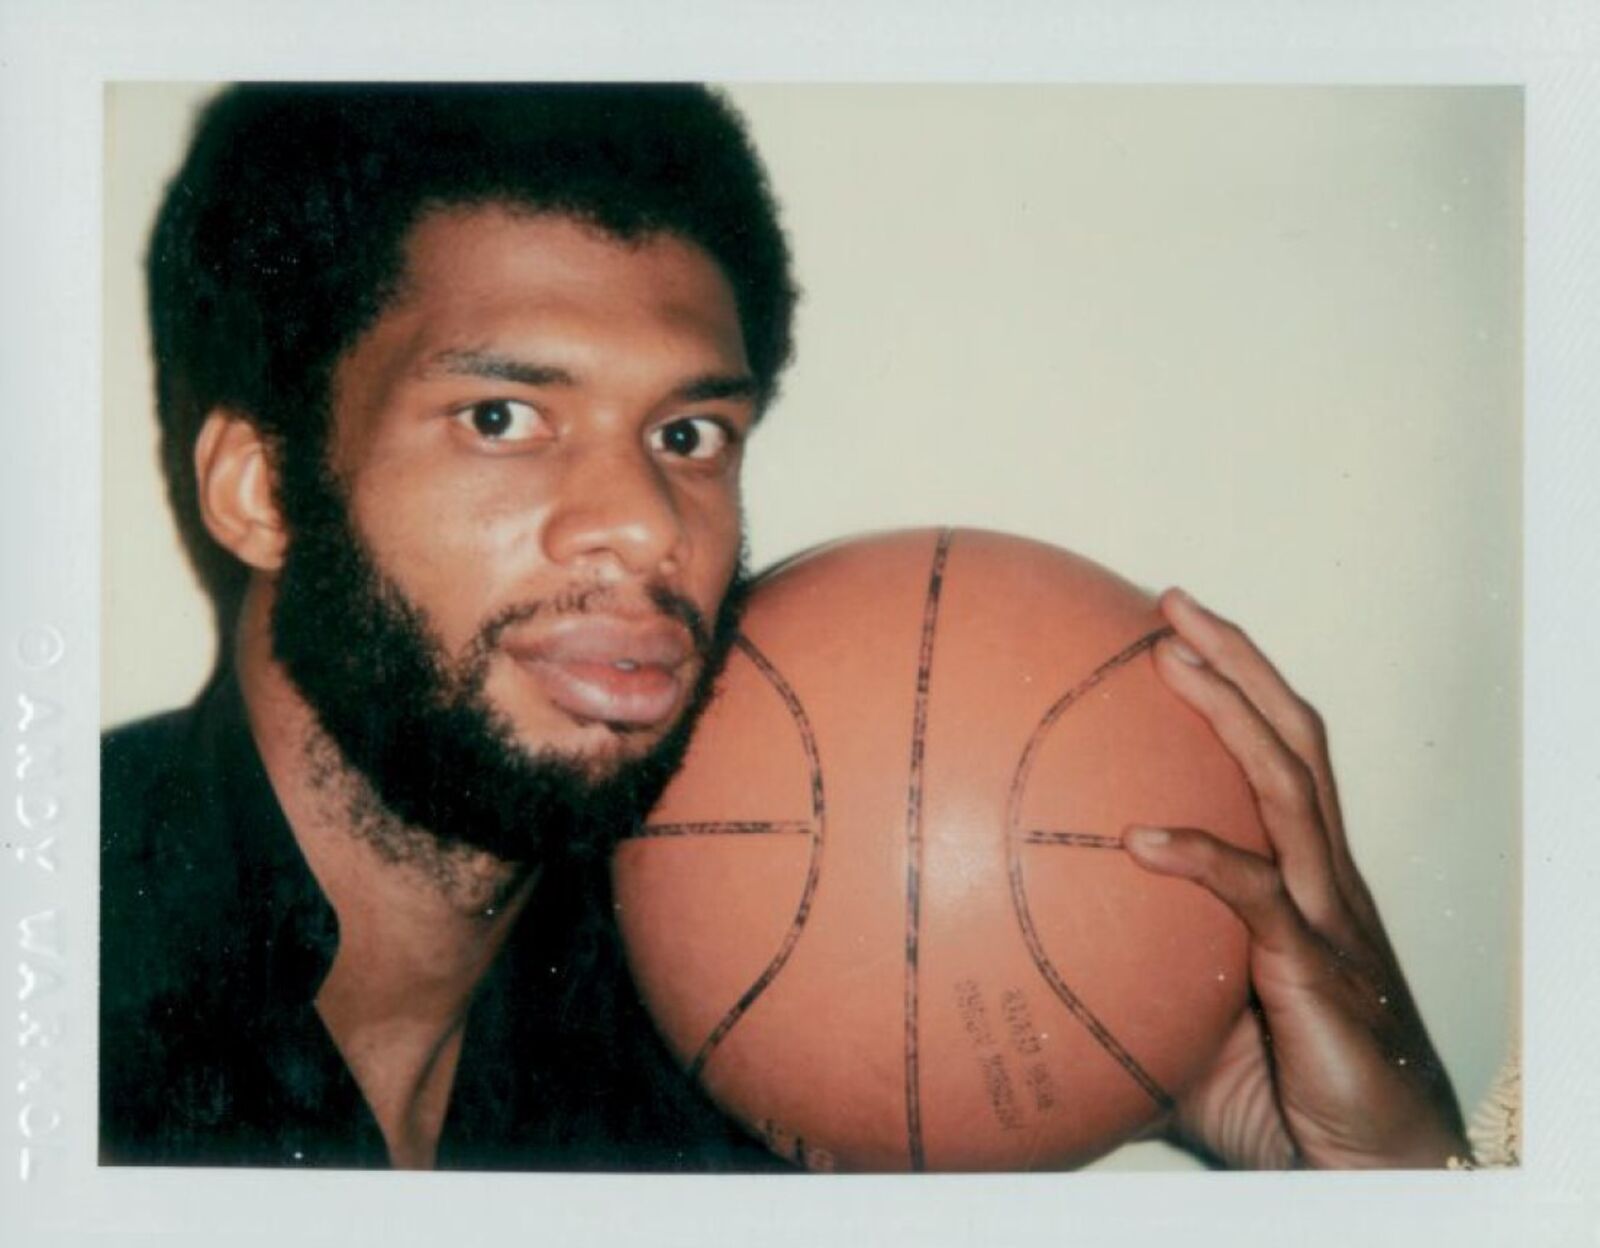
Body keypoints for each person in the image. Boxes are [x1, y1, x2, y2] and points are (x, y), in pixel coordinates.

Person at [101, 82, 1471, 1172]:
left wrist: (1393, 1176)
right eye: (504, 418)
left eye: (689, 431)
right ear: (263, 489)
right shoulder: (59, 960)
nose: (645, 522)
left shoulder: (767, 1040)